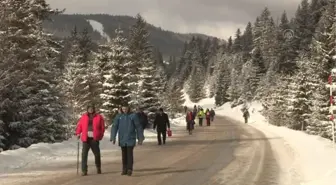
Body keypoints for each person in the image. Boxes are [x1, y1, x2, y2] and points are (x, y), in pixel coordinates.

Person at [110, 105, 144, 176]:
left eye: (126, 108)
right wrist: (113, 137)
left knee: (129, 154)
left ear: (128, 109)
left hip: (130, 137)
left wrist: (140, 138)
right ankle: (124, 168)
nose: (124, 110)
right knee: (124, 154)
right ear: (121, 109)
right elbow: (114, 126)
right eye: (123, 109)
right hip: (122, 138)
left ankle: (129, 169)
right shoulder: (119, 117)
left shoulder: (133, 116)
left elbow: (138, 127)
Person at [75, 104, 105, 176]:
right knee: (84, 155)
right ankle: (84, 170)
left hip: (94, 138)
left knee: (97, 154)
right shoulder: (84, 117)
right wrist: (78, 133)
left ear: (94, 109)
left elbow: (102, 128)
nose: (90, 110)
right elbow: (80, 126)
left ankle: (98, 167)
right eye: (89, 109)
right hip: (86, 138)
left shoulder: (99, 117)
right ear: (87, 110)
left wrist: (100, 135)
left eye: (92, 108)